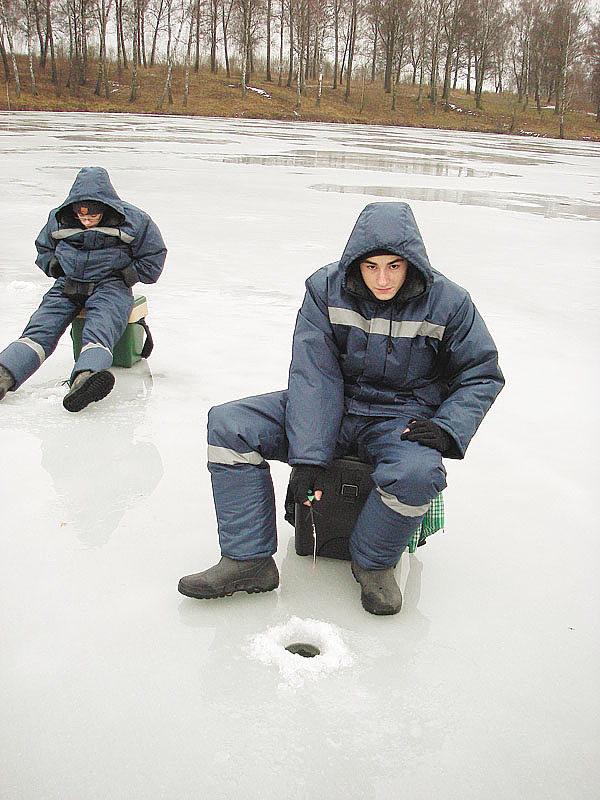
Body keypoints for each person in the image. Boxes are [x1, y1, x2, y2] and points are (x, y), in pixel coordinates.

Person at [178, 202, 504, 615]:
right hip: (329, 405)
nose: (382, 279)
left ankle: (374, 565)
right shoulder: (325, 288)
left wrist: (446, 428)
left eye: (393, 266)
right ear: (355, 263)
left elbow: (481, 373)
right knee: (230, 425)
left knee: (418, 473)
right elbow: (315, 373)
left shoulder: (450, 303)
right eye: (370, 267)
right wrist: (309, 457)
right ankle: (248, 560)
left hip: (400, 417)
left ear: (413, 265)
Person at [0, 167, 166, 412]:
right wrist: (56, 267)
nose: (86, 221)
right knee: (40, 328)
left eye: (93, 217)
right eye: (82, 216)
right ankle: (4, 374)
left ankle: (85, 379)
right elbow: (44, 249)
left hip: (110, 284)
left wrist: (126, 276)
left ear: (105, 207)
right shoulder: (58, 217)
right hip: (68, 282)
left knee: (101, 329)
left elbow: (153, 257)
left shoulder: (135, 220)